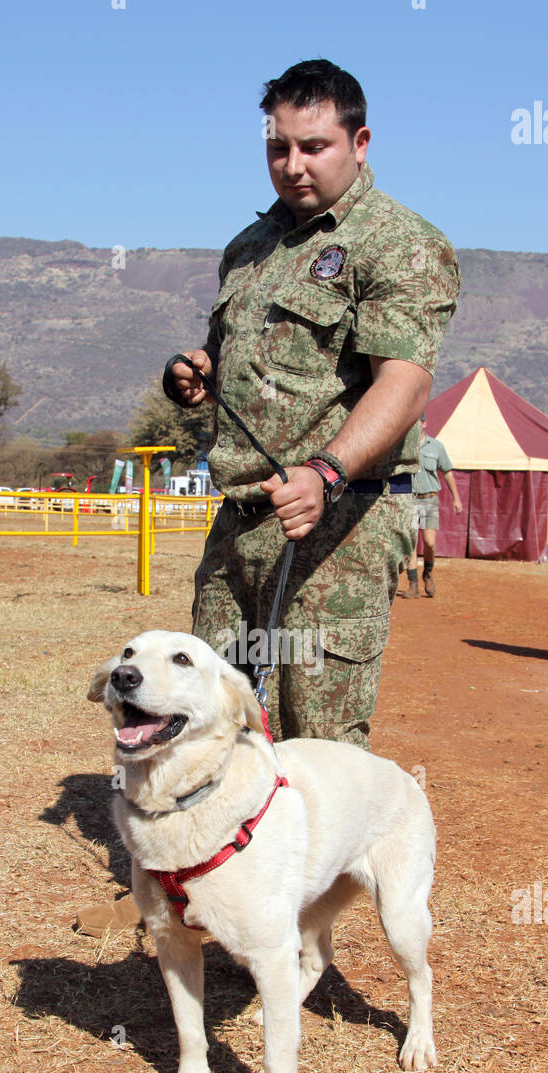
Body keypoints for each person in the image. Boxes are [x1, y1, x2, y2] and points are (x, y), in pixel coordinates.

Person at [168, 58, 460, 747]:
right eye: (278, 147)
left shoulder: (400, 244)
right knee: (207, 729)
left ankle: (324, 862)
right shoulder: (250, 247)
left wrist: (326, 472)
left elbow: (405, 382)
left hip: (340, 527)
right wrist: (198, 371)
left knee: (317, 750)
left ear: (360, 144)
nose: (292, 164)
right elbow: (236, 355)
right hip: (239, 524)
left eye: (314, 146)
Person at [397, 414, 462, 597]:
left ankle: (428, 573)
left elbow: (447, 472)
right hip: (409, 500)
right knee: (411, 544)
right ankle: (413, 584)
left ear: (424, 423)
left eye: (418, 422)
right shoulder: (403, 445)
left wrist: (456, 498)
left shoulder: (436, 446)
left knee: (429, 543)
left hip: (429, 499)